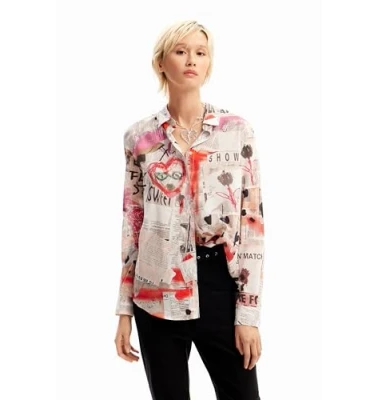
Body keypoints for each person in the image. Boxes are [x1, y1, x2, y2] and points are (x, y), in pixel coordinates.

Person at [114, 20, 265, 400]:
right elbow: (133, 222)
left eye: (200, 52)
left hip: (218, 285)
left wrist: (248, 314)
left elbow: (252, 224)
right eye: (181, 51)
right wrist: (124, 310)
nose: (191, 60)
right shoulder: (140, 137)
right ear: (160, 63)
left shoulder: (236, 131)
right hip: (155, 292)